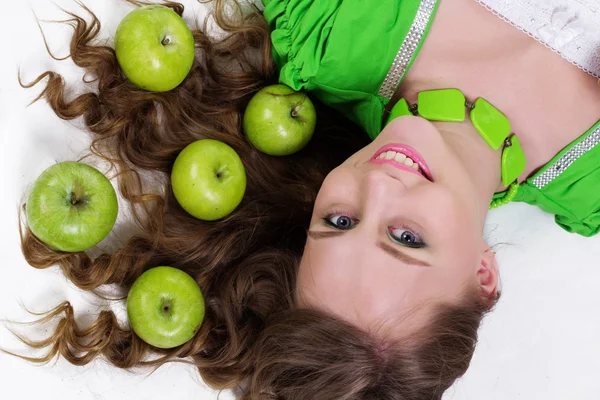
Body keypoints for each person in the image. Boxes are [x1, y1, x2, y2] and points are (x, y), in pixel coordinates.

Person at [14, 0, 600, 398]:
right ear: (483, 273)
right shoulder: (590, 183)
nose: (378, 184)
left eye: (339, 220)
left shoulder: (329, 28)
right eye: (406, 238)